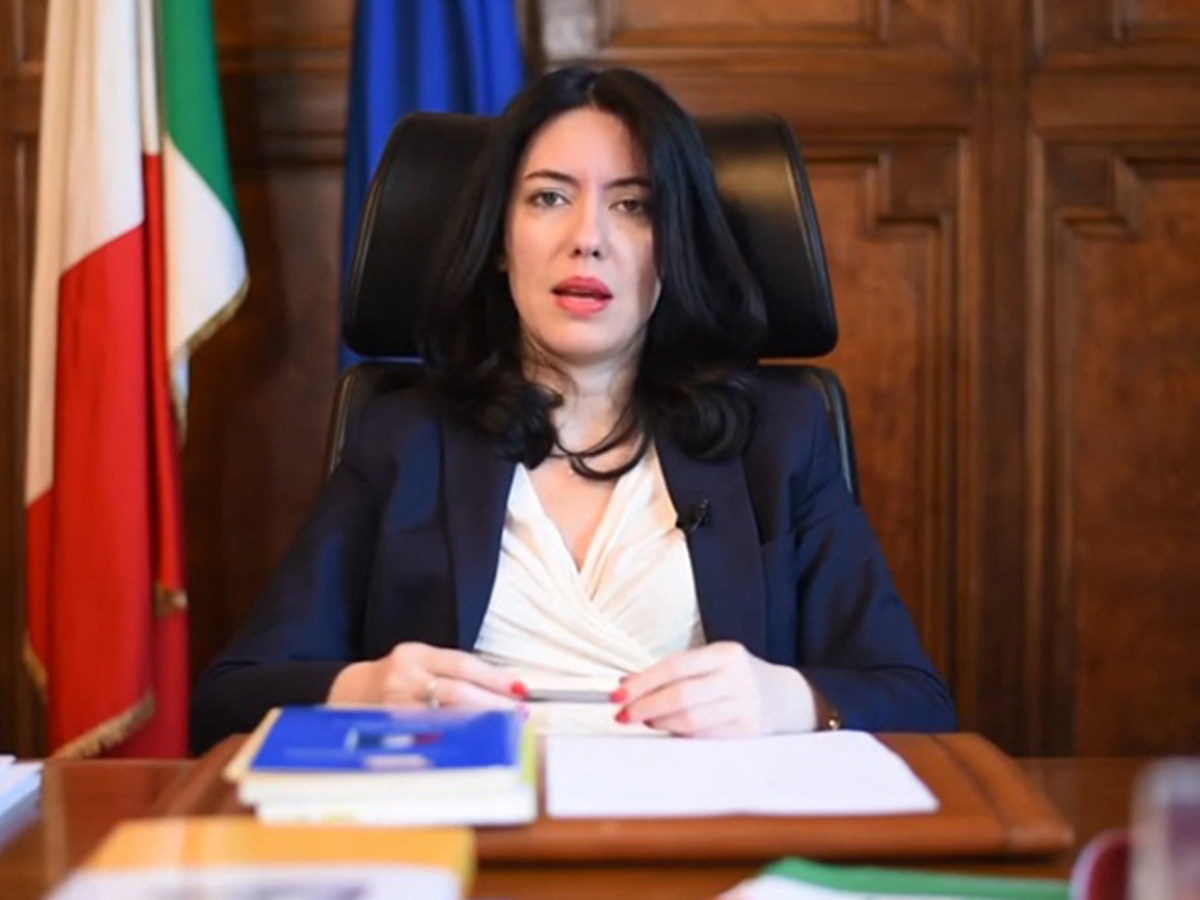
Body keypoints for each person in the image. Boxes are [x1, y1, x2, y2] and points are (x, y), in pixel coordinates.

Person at [190, 66, 956, 754]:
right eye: (549, 197)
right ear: (500, 240)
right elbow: (228, 699)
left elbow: (918, 702)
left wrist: (786, 699)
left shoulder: (778, 439)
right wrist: (367, 689)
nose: (587, 238)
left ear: (673, 248)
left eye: (634, 206)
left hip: (707, 839)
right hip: (475, 837)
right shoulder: (402, 438)